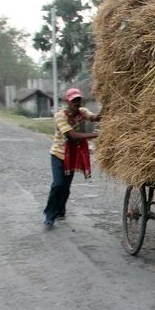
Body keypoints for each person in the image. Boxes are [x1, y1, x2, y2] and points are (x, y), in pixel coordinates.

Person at [43, 88, 101, 228]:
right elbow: (73, 136)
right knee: (58, 184)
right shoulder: (60, 116)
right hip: (59, 155)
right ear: (67, 101)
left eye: (78, 99)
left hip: (73, 155)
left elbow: (96, 118)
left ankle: (60, 210)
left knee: (65, 186)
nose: (76, 102)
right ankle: (49, 215)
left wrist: (108, 105)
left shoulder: (82, 112)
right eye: (73, 100)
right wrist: (97, 135)